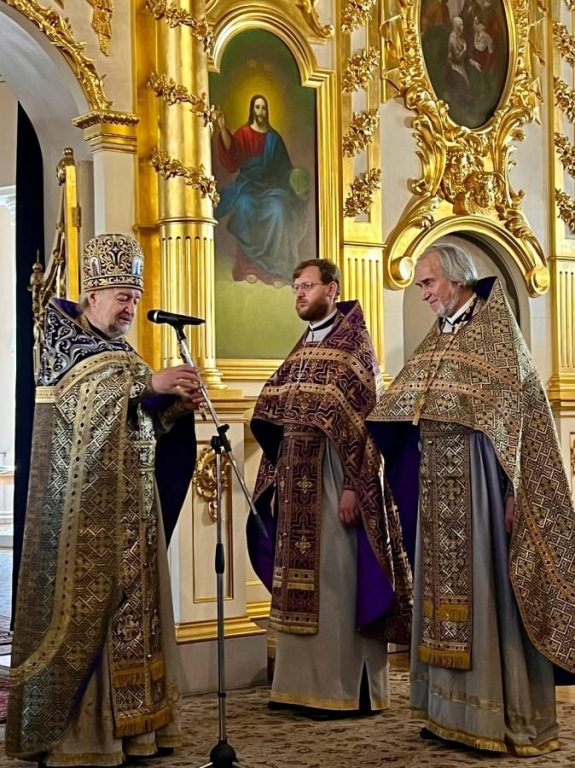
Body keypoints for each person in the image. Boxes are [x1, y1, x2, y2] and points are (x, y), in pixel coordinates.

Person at [367, 243, 575, 755]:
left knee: (484, 594)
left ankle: (493, 715)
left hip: (481, 485)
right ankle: (445, 714)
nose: (424, 293)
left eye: (429, 282)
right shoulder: (439, 336)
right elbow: (407, 402)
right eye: (420, 284)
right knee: (439, 599)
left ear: (457, 279)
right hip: (438, 485)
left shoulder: (497, 337)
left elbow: (524, 423)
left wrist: (516, 490)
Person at [6, 233, 203, 767]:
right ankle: (85, 737)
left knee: (134, 620)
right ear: (92, 296)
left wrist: (173, 405)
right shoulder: (64, 348)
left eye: (135, 298)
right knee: (93, 620)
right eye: (121, 297)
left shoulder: (123, 353)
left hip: (133, 513)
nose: (130, 308)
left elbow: (141, 423)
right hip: (84, 524)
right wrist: (149, 385)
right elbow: (82, 410)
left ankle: (137, 732)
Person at [247, 258, 412, 719]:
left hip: (336, 479)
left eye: (307, 285)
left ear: (332, 289)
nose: (299, 293)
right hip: (295, 479)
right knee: (299, 583)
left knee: (338, 580)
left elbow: (367, 425)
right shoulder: (302, 348)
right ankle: (298, 687)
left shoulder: (354, 348)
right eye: (295, 286)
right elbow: (275, 406)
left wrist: (355, 487)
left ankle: (345, 691)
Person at [214, 94, 309, 286]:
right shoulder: (244, 133)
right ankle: (248, 267)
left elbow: (284, 168)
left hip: (270, 188)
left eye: (263, 108)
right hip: (248, 185)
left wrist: (296, 182)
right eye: (257, 107)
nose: (260, 112)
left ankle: (276, 271)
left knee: (278, 210)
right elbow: (232, 155)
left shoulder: (274, 138)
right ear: (252, 110)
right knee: (243, 206)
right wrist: (222, 128)